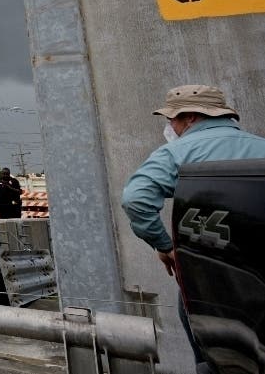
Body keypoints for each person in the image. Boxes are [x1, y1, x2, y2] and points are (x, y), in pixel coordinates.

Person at [122, 84, 265, 374]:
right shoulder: (260, 146)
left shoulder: (176, 153)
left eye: (171, 119)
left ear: (190, 118)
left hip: (209, 284)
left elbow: (135, 199)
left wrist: (165, 246)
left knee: (212, 359)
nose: (169, 126)